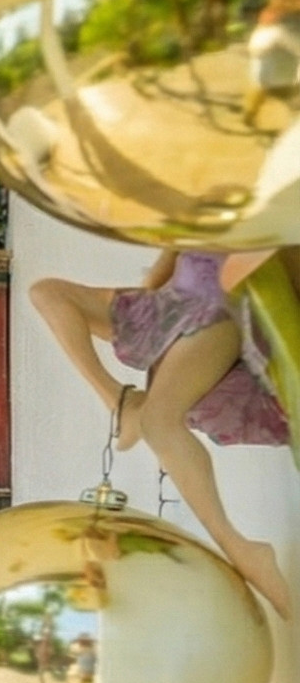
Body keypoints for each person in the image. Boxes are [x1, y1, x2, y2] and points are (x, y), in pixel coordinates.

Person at [31, 250, 290, 618]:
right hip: (177, 303)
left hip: (219, 302)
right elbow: (158, 275)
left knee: (158, 422)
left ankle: (241, 549)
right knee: (47, 292)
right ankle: (119, 401)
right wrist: (148, 319)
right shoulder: (184, 225)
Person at [242, 0, 300, 130]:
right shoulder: (268, 11)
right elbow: (258, 35)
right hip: (270, 56)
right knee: (260, 87)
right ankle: (249, 113)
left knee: (290, 90)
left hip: (290, 58)